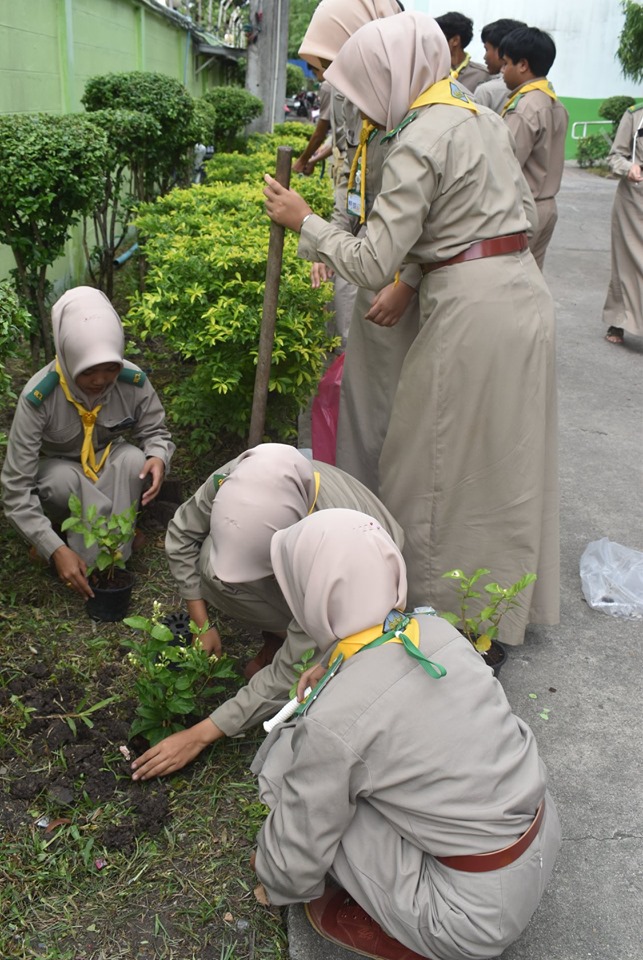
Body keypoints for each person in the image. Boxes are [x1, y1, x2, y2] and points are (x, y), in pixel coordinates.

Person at [264, 12, 559, 646]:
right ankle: (495, 613)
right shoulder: (478, 115)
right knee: (502, 463)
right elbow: (521, 215)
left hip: (470, 313)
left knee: (429, 469)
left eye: (366, 83)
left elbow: (373, 261)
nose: (363, 105)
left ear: (392, 75)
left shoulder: (420, 137)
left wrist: (305, 222)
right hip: (520, 294)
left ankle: (441, 622)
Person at [251, 509, 561, 960]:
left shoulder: (335, 722)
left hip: (467, 918)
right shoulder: (437, 631)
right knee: (348, 769)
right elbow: (381, 660)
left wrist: (273, 875)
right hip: (537, 840)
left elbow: (302, 834)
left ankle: (408, 934)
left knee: (287, 770)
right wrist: (333, 665)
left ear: (312, 596)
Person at [130, 443, 403, 781]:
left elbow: (289, 672)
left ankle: (304, 646)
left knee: (328, 656)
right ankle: (278, 632)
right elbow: (182, 534)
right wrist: (201, 625)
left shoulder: (335, 550)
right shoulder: (238, 477)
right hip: (302, 556)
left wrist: (198, 735)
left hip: (360, 586)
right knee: (212, 571)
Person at [299, 0, 421, 492]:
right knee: (361, 379)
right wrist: (328, 241)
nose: (328, 79)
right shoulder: (358, 98)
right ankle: (357, 489)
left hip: (402, 267)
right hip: (372, 250)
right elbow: (353, 184)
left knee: (393, 394)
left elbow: (434, 215)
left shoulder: (424, 116)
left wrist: (408, 281)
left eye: (329, 64)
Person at [1, 286, 174, 598]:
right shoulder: (39, 397)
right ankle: (70, 546)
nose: (100, 380)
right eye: (88, 371)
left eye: (110, 367)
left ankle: (111, 552)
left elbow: (156, 432)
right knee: (59, 480)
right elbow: (16, 490)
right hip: (63, 473)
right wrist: (52, 548)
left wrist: (158, 456)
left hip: (107, 464)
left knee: (135, 460)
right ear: (67, 358)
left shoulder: (132, 381)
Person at [499, 26, 569, 269]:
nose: (502, 70)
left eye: (505, 63)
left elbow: (505, 164)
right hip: (547, 205)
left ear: (523, 65)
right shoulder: (554, 102)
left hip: (523, 208)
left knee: (511, 282)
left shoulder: (525, 107)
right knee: (532, 279)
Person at [601, 100, 643, 345]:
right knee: (625, 264)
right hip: (633, 200)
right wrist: (629, 167)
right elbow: (616, 155)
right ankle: (618, 321)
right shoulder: (635, 115)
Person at [476, 18, 527, 113]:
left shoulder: (486, 91)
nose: (485, 57)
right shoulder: (541, 90)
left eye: (487, 49)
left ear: (501, 50)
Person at [435, 11, 488, 92]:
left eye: (439, 37)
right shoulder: (432, 71)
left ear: (455, 40)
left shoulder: (483, 75)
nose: (434, 42)